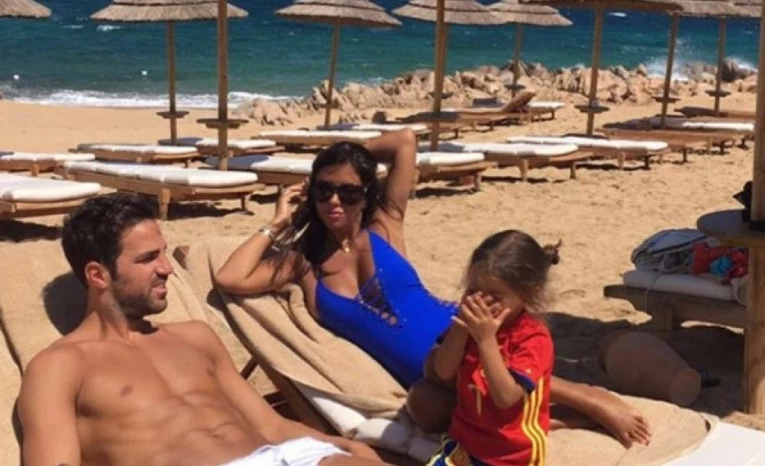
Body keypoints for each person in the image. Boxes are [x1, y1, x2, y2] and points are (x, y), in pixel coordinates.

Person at [215, 129, 651, 448]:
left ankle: (588, 399)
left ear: (365, 194)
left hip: (458, 329)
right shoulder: (302, 264)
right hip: (423, 375)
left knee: (485, 375)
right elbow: (230, 278)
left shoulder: (385, 223)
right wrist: (276, 223)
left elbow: (404, 141)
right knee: (429, 410)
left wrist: (345, 157)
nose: (334, 201)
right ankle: (563, 419)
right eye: (324, 189)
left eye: (348, 192)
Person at [18, 193, 390, 466]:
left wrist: (342, 446)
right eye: (148, 258)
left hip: (291, 456)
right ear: (98, 275)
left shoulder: (195, 336)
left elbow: (270, 425)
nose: (167, 268)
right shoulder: (60, 366)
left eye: (164, 253)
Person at [427, 230, 557, 466]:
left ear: (528, 293)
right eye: (473, 291)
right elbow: (443, 371)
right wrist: (461, 329)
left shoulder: (532, 338)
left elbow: (506, 397)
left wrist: (486, 340)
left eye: (495, 296)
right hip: (464, 442)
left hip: (512, 453)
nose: (481, 302)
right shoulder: (468, 324)